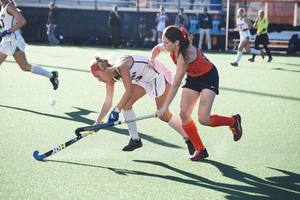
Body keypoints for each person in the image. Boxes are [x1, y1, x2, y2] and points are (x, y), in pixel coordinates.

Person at [149, 25, 242, 161]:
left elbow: (175, 84)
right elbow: (156, 49)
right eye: (163, 41)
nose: (163, 45)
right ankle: (201, 150)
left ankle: (233, 121)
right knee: (183, 114)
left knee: (204, 119)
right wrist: (151, 59)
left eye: (166, 42)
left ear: (176, 42)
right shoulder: (171, 46)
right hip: (193, 78)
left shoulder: (185, 54)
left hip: (208, 77)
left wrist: (163, 108)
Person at [89, 54, 195, 154]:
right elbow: (108, 101)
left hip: (158, 75)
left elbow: (129, 92)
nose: (99, 80)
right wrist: (98, 122)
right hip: (143, 79)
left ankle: (189, 138)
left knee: (164, 115)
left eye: (98, 76)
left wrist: (116, 110)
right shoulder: (111, 78)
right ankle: (135, 140)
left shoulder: (122, 65)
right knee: (126, 105)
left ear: (104, 70)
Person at [0, 0, 59, 90]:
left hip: (14, 41)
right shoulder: (3, 6)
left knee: (25, 67)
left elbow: (22, 21)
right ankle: (52, 75)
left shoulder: (9, 6)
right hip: (5, 41)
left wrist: (8, 31)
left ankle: (52, 75)